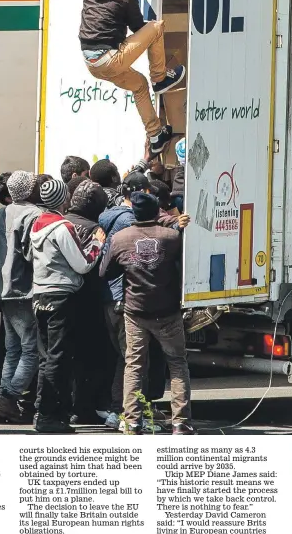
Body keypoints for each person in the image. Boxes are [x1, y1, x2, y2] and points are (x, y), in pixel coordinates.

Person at [99, 192, 195, 436]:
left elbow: (105, 273)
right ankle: (181, 423)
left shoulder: (120, 239)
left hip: (135, 312)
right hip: (168, 312)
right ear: (157, 212)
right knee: (177, 364)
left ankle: (131, 421)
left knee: (134, 366)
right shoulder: (172, 237)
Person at [79, 0, 185, 154]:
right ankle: (160, 77)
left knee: (139, 86)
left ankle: (156, 136)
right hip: (110, 59)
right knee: (155, 28)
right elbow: (138, 27)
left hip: (92, 63)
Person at [30, 178, 105, 433]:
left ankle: (41, 410)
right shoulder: (63, 227)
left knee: (46, 357)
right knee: (59, 358)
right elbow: (82, 264)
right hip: (61, 296)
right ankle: (50, 415)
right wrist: (97, 243)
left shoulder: (37, 224)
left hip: (39, 294)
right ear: (63, 200)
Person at [0, 171, 42, 424]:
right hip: (24, 288)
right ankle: (8, 398)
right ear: (30, 190)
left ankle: (3, 401)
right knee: (31, 350)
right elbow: (36, 251)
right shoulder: (35, 215)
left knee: (12, 349)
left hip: (1, 288)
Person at [64, 179, 113, 424]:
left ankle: (67, 406)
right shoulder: (97, 230)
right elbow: (102, 267)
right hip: (90, 301)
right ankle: (85, 406)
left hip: (62, 299)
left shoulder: (61, 223)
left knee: (64, 356)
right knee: (91, 356)